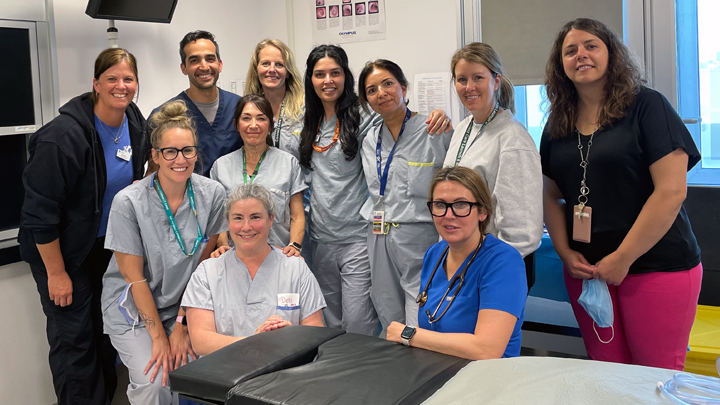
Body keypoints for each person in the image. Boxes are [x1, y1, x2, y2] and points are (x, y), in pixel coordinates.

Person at [540, 18, 702, 371]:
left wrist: (623, 257)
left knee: (655, 376)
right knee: (606, 372)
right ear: (560, 64)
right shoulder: (558, 122)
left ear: (611, 55)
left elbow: (671, 191)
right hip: (587, 271)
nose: (581, 55)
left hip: (655, 266)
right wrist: (566, 252)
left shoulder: (647, 106)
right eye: (570, 51)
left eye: (591, 46)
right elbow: (549, 195)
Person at [19, 48, 149, 405]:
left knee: (104, 334)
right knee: (75, 342)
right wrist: (56, 274)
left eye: (128, 79)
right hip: (60, 254)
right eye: (112, 79)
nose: (121, 86)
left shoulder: (134, 120)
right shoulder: (61, 139)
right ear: (95, 83)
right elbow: (38, 216)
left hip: (104, 248)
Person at [298, 45, 450, 335]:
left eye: (335, 73)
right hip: (337, 237)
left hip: (378, 235)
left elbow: (454, 175)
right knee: (375, 311)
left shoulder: (373, 122)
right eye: (320, 74)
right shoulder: (350, 133)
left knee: (379, 318)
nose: (381, 93)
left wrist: (441, 113)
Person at [101, 101, 227, 404]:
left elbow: (201, 270)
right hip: (132, 308)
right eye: (170, 151)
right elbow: (135, 279)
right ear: (155, 155)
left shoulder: (212, 194)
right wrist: (159, 337)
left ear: (196, 153)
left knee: (202, 371)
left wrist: (182, 323)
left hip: (181, 304)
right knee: (156, 380)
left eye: (187, 150)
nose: (179, 159)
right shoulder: (128, 202)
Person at [386, 166, 527, 359]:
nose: (448, 215)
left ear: (483, 212)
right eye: (440, 205)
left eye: (461, 205)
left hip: (488, 380)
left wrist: (408, 334)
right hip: (436, 371)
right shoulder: (434, 254)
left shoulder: (503, 262)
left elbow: (487, 350)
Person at [358, 59, 451, 330]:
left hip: (419, 235)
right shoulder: (369, 139)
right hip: (378, 234)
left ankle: (420, 364)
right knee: (386, 304)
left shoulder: (434, 130)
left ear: (404, 88)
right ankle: (397, 365)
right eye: (371, 90)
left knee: (420, 305)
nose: (381, 93)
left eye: (388, 84)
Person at [182, 183, 326, 356]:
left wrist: (292, 335)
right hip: (227, 377)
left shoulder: (295, 268)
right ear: (227, 222)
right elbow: (201, 342)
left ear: (271, 219)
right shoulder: (207, 272)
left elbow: (316, 332)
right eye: (237, 218)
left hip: (285, 374)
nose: (246, 227)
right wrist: (256, 341)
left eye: (255, 217)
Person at [445, 42, 543, 261]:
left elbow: (523, 232)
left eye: (478, 77)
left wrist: (491, 267)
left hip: (493, 264)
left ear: (496, 81)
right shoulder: (463, 128)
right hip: (463, 256)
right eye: (462, 79)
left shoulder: (513, 138)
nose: (469, 87)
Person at [210, 95, 307, 256]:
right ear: (236, 125)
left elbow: (297, 215)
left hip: (279, 255)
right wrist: (223, 245)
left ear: (270, 126)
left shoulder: (288, 163)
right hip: (235, 256)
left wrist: (294, 245)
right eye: (246, 118)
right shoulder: (221, 167)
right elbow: (217, 217)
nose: (253, 125)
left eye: (261, 118)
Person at [151, 30, 242, 176]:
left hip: (234, 196)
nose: (204, 66)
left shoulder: (240, 108)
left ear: (220, 64)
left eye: (210, 59)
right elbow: (154, 170)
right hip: (187, 196)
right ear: (184, 68)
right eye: (194, 60)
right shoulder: (163, 116)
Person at [243, 39, 304, 160]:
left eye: (279, 64)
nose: (272, 69)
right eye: (265, 63)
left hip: (298, 177)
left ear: (288, 72)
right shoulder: (247, 109)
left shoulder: (305, 109)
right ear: (256, 70)